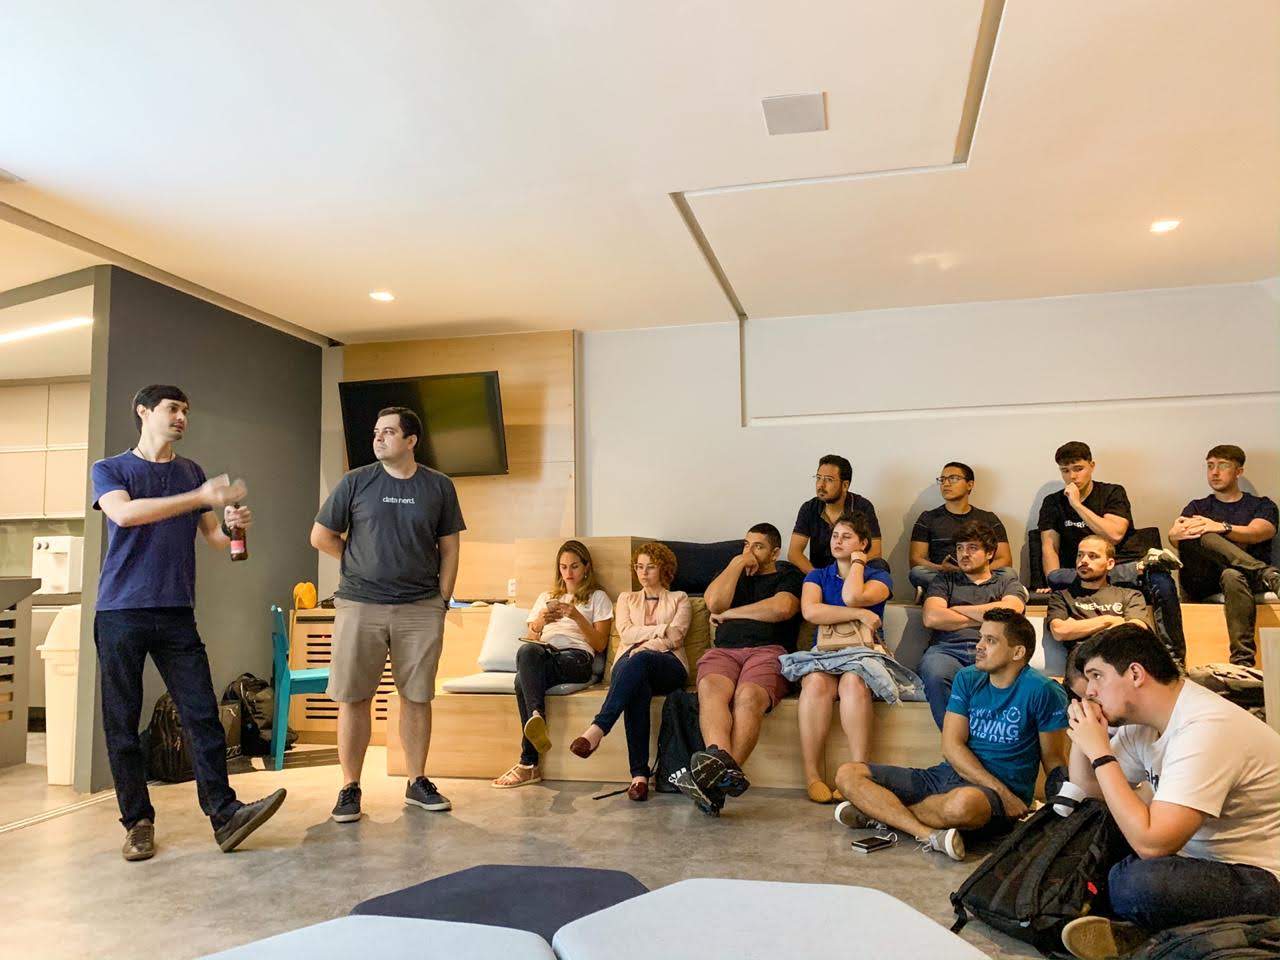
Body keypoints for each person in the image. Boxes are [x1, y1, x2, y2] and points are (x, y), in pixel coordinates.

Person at [91, 384, 286, 861]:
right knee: (121, 722)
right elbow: (125, 514)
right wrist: (198, 495)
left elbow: (219, 542)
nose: (181, 417)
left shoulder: (190, 471)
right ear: (143, 412)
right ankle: (137, 822)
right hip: (120, 611)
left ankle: (225, 815)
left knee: (202, 715)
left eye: (186, 411)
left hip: (177, 611)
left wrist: (236, 527)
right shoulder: (111, 469)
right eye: (172, 409)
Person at [1059, 623, 1280, 960]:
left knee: (1137, 884)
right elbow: (1087, 788)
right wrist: (1085, 735)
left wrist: (1101, 753)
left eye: (1097, 676)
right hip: (1197, 862)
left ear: (1135, 674)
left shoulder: (1206, 728)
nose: (1089, 691)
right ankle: (1148, 932)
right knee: (1093, 832)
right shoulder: (1143, 725)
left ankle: (1147, 935)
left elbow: (1153, 844)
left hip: (1261, 878)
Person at [312, 406, 464, 822]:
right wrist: (358, 560)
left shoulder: (439, 486)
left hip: (421, 607)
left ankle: (417, 781)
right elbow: (321, 536)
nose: (378, 438)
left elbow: (450, 548)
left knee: (417, 696)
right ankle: (350, 787)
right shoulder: (355, 481)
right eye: (377, 432)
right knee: (353, 697)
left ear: (411, 440)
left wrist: (442, 599)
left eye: (389, 432)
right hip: (360, 604)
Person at [834, 610, 1069, 861]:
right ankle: (926, 833)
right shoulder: (967, 678)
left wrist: (1060, 816)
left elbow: (1054, 759)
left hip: (991, 797)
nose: (979, 646)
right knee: (848, 773)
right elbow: (951, 746)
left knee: (962, 805)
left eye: (990, 640)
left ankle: (879, 812)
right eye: (981, 637)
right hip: (950, 776)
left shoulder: (1044, 691)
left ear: (1018, 652)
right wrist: (1001, 791)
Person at [675, 523, 803, 815]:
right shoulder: (733, 573)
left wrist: (730, 614)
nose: (750, 552)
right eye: (746, 545)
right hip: (724, 652)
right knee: (710, 689)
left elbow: (782, 608)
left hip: (768, 651)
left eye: (758, 546)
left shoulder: (787, 574)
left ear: (774, 552)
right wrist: (736, 564)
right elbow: (713, 603)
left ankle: (714, 781)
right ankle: (722, 775)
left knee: (748, 696)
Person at [1036, 441, 1185, 664]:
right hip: (1085, 571)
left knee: (1163, 582)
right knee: (1056, 577)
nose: (1072, 476)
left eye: (1078, 468)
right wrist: (1053, 582)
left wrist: (1077, 505)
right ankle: (1141, 566)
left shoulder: (1112, 492)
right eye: (1065, 471)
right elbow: (1050, 547)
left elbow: (1114, 534)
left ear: (1092, 466)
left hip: (1117, 562)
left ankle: (1173, 660)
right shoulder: (1052, 502)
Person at [569, 542, 690, 801]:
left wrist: (644, 646)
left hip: (668, 665)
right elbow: (626, 634)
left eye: (650, 567)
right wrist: (661, 629)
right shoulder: (626, 598)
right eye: (639, 566)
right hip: (631, 665)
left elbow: (676, 638)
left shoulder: (679, 598)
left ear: (664, 569)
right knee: (637, 687)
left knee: (640, 660)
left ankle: (597, 729)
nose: (643, 572)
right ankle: (639, 778)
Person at [491, 540, 613, 788]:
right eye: (563, 567)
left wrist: (576, 615)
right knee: (527, 652)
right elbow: (531, 638)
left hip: (576, 658)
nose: (568, 573)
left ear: (586, 567)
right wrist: (540, 622)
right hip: (545, 654)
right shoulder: (546, 597)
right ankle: (536, 718)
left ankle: (529, 762)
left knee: (521, 681)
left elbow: (600, 644)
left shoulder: (597, 597)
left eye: (574, 566)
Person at [790, 512, 894, 803]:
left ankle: (858, 773)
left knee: (853, 683)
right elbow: (811, 611)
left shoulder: (879, 577)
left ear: (863, 543)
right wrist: (860, 615)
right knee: (815, 684)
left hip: (862, 653)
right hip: (826, 652)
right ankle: (812, 775)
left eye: (846, 537)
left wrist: (859, 563)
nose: (837, 541)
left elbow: (852, 596)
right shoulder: (816, 575)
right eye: (835, 536)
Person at [1168, 445, 1279, 667]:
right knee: (1202, 532)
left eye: (1223, 466)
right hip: (1204, 579)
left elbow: (1259, 532)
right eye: (1210, 466)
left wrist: (1222, 527)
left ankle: (1242, 662)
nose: (1215, 472)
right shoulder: (1197, 506)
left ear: (1239, 471)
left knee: (1231, 574)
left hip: (1244, 580)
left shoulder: (1262, 505)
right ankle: (1267, 573)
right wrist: (1175, 534)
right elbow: (1180, 539)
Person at [920, 521, 1028, 728]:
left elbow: (1012, 611)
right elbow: (931, 617)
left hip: (994, 650)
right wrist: (989, 616)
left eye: (972, 548)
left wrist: (955, 609)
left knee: (1014, 676)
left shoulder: (1006, 582)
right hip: (948, 650)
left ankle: (987, 739)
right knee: (935, 671)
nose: (964, 554)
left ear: (989, 553)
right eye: (959, 548)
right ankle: (954, 739)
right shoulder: (945, 580)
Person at [909, 462, 1014, 592]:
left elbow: (1005, 559)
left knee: (1008, 573)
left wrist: (976, 570)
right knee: (918, 572)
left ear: (970, 484)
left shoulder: (989, 518)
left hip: (982, 574)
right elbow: (915, 559)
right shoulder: (928, 518)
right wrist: (942, 568)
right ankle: (978, 593)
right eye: (942, 479)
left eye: (953, 478)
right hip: (946, 575)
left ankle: (956, 593)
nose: (946, 484)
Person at [1046, 535, 1155, 657]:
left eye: (1092, 556)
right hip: (1081, 661)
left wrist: (1077, 628)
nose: (1083, 560)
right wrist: (1110, 620)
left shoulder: (1130, 595)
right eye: (1080, 555)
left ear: (1110, 564)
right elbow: (1059, 631)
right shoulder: (1062, 596)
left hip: (1120, 658)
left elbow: (1136, 629)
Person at [787, 454, 882, 573]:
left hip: (853, 572)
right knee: (785, 568)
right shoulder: (809, 508)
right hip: (819, 572)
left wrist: (849, 575)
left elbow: (875, 552)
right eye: (818, 478)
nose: (821, 485)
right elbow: (794, 553)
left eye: (829, 480)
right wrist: (818, 577)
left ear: (845, 485)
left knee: (880, 565)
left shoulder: (862, 507)